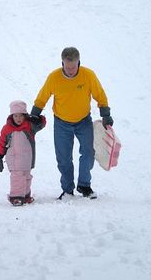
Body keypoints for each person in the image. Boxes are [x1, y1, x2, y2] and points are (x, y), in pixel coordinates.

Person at [30, 47, 113, 200]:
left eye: (73, 67)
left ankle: (84, 185)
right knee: (64, 158)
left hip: (83, 121)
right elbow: (42, 97)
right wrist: (34, 114)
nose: (70, 70)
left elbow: (100, 95)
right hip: (62, 123)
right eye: (67, 67)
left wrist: (105, 114)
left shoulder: (88, 75)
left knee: (88, 153)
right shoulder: (54, 78)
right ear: (62, 63)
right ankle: (67, 190)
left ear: (78, 63)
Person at [0, 100, 46, 206]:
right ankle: (16, 196)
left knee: (26, 176)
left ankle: (25, 195)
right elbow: (2, 142)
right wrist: (0, 155)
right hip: (13, 158)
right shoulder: (7, 129)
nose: (18, 119)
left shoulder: (29, 126)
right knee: (17, 176)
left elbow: (42, 124)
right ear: (11, 116)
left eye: (20, 116)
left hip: (27, 158)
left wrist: (39, 119)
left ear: (25, 116)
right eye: (15, 116)